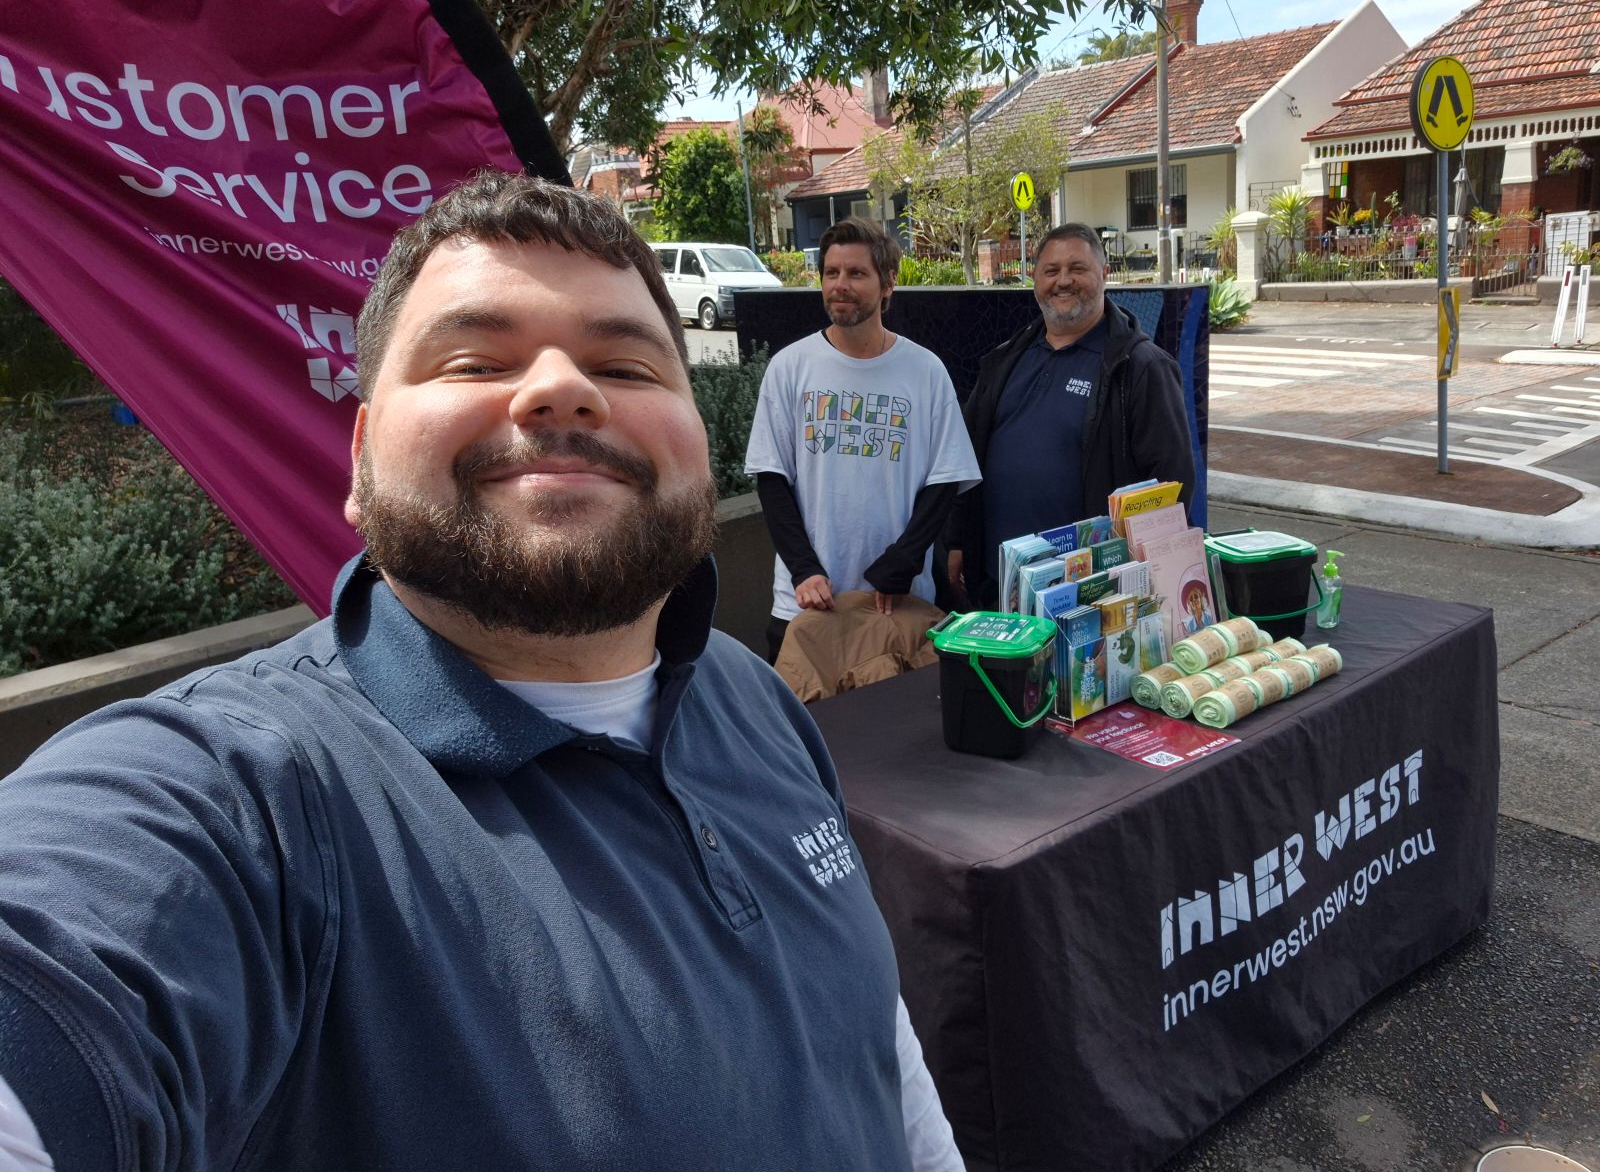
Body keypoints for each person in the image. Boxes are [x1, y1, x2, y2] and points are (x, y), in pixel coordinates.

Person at [0, 173, 963, 1172]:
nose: (561, 388)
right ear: (361, 458)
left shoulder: (752, 694)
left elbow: (870, 1037)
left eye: (628, 368)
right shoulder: (242, 802)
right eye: (471, 358)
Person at [745, 217, 979, 662]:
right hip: (809, 602)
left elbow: (946, 479)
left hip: (897, 602)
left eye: (856, 273)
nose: (840, 285)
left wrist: (906, 559)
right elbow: (772, 479)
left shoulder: (925, 371)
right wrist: (804, 568)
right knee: (810, 729)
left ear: (888, 284)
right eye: (831, 273)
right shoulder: (789, 368)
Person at [946, 222, 1195, 609]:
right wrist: (957, 539)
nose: (1063, 281)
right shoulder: (1007, 359)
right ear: (1035, 279)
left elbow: (1172, 486)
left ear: (1104, 275)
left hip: (1088, 598)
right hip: (1000, 582)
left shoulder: (1140, 367)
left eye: (1077, 269)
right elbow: (967, 453)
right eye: (1051, 271)